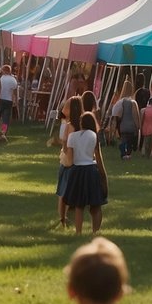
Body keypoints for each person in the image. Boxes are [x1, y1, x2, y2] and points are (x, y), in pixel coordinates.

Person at [63, 112, 109, 235]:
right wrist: (103, 175)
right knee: (96, 204)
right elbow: (98, 158)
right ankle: (96, 232)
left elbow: (70, 159)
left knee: (79, 205)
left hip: (77, 171)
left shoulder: (72, 136)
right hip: (91, 170)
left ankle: (78, 232)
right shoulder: (93, 135)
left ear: (81, 123)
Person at [53, 96, 82, 229]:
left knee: (62, 193)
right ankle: (71, 219)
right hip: (78, 161)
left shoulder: (68, 126)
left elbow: (65, 144)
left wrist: (59, 144)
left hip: (67, 161)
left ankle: (62, 219)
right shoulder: (82, 125)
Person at [111, 82, 142, 160]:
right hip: (131, 127)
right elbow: (135, 115)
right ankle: (128, 154)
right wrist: (138, 126)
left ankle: (123, 153)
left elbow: (116, 115)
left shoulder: (119, 102)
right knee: (130, 142)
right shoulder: (133, 102)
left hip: (122, 126)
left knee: (124, 140)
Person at [0, 64, 19, 143]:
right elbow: (15, 92)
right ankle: (3, 133)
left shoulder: (2, 78)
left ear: (4, 71)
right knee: (6, 119)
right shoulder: (13, 80)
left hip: (1, 99)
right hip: (9, 101)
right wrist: (15, 101)